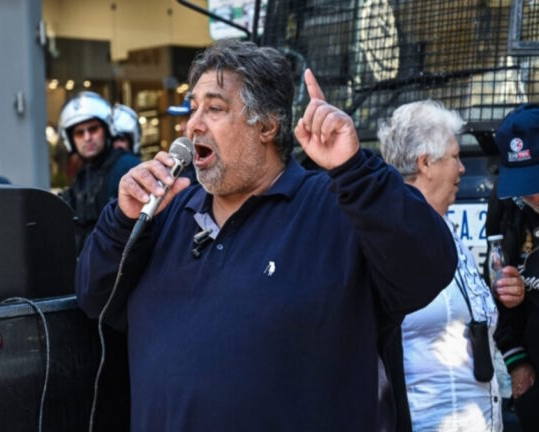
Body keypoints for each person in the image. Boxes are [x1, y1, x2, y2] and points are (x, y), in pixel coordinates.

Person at [75, 39, 457, 431]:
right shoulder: (168, 213)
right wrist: (122, 219)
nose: (193, 125)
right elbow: (94, 297)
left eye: (215, 108)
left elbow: (430, 267)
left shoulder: (335, 207)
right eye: (193, 108)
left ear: (267, 126)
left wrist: (355, 170)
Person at [379, 100, 517, 431]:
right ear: (426, 163)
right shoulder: (389, 239)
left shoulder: (445, 229)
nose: (463, 168)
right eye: (455, 156)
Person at [484, 103, 539, 431]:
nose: (530, 194)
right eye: (522, 182)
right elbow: (493, 283)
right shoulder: (507, 203)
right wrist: (516, 360)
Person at [58, 91, 140, 250]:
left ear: (107, 129)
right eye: (79, 133)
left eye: (93, 129)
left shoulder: (127, 165)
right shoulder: (83, 174)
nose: (87, 137)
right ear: (71, 140)